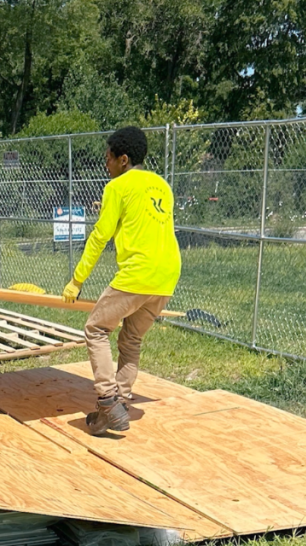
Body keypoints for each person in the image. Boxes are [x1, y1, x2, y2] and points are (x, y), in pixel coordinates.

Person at [61, 127, 181, 435]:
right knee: (131, 339)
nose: (106, 164)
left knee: (96, 329)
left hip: (138, 273)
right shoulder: (161, 185)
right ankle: (120, 404)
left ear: (123, 159)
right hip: (167, 274)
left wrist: (77, 280)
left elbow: (100, 236)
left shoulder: (117, 187)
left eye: (109, 159)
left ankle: (107, 400)